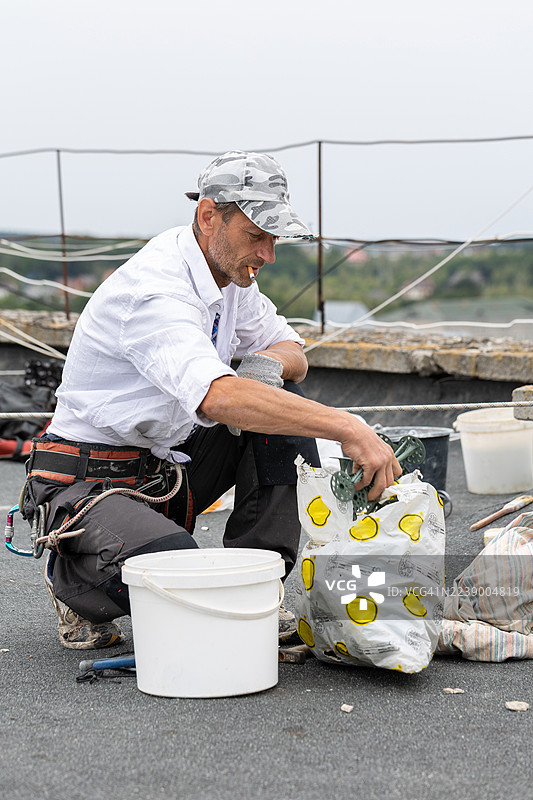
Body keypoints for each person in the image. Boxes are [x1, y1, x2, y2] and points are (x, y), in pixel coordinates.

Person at [22, 150, 401, 650]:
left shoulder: (230, 276)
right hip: (90, 483)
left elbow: (294, 353)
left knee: (278, 401)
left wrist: (266, 367)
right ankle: (72, 578)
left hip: (165, 468)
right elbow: (218, 399)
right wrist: (348, 427)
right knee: (177, 571)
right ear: (208, 216)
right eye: (256, 236)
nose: (267, 255)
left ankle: (260, 583)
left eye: (272, 239)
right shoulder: (157, 291)